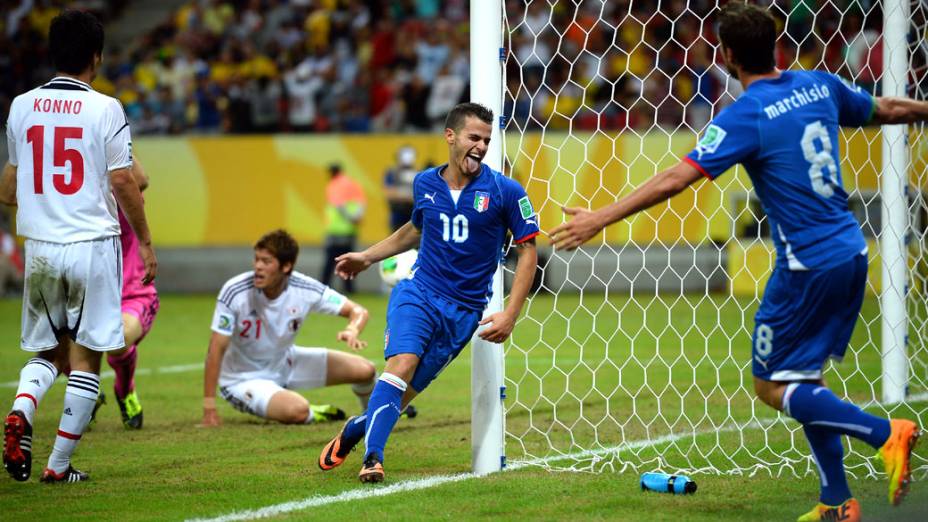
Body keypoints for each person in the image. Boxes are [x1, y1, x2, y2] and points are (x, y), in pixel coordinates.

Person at [550, 4, 923, 521]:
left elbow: (676, 179)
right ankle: (836, 503)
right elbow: (884, 109)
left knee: (771, 385)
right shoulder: (819, 84)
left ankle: (886, 434)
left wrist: (600, 218)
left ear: (726, 56)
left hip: (806, 265)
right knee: (803, 380)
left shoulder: (747, 115)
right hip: (852, 251)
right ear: (777, 45)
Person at [317, 102, 540, 483]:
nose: (482, 146)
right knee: (399, 367)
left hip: (464, 312)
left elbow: (528, 251)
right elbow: (414, 229)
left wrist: (511, 314)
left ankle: (357, 428)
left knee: (400, 398)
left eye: (487, 140)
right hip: (418, 293)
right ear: (450, 137)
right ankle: (373, 458)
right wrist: (367, 257)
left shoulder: (505, 191)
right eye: (474, 137)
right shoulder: (425, 183)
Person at [0, 10, 156, 483]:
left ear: (51, 53)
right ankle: (58, 466)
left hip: (42, 247)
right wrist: (145, 243)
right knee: (87, 357)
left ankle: (21, 410)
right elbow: (126, 181)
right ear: (97, 56)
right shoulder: (105, 108)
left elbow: (7, 190)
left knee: (47, 354)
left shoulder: (20, 106)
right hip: (92, 245)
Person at [201, 229, 377, 427]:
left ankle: (372, 415)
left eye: (266, 262)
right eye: (257, 259)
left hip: (285, 362)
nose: (258, 267)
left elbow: (357, 310)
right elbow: (215, 348)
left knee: (366, 370)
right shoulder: (235, 291)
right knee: (297, 411)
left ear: (286, 266)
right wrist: (209, 407)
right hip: (242, 379)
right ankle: (314, 413)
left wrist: (353, 329)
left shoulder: (304, 288)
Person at [92, 157, 159, 429]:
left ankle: (125, 389)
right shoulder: (72, 197)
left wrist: (117, 133)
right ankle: (88, 394)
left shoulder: (124, 185)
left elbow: (140, 180)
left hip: (131, 292)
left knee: (115, 339)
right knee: (57, 349)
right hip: (88, 290)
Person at [320, 163, 365, 294]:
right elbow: (361, 203)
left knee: (330, 262)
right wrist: (355, 218)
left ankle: (323, 287)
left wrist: (349, 217)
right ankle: (350, 289)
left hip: (335, 231)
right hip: (350, 230)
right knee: (349, 261)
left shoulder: (334, 185)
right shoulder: (352, 184)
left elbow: (339, 205)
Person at [383, 145, 418, 232]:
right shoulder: (392, 173)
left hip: (413, 217)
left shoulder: (418, 173)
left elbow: (421, 196)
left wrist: (400, 194)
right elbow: (390, 195)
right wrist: (410, 196)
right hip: (397, 216)